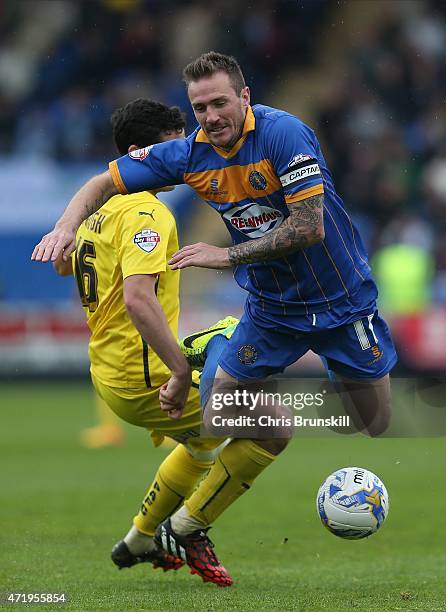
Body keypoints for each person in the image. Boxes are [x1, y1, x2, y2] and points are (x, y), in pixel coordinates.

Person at [51, 97, 287, 587]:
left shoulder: (100, 209)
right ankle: (187, 526)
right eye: (173, 143)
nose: (185, 152)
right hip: (145, 375)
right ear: (139, 152)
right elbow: (139, 299)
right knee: (272, 425)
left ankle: (138, 540)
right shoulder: (146, 212)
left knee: (228, 338)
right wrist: (179, 371)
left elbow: (63, 263)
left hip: (110, 368)